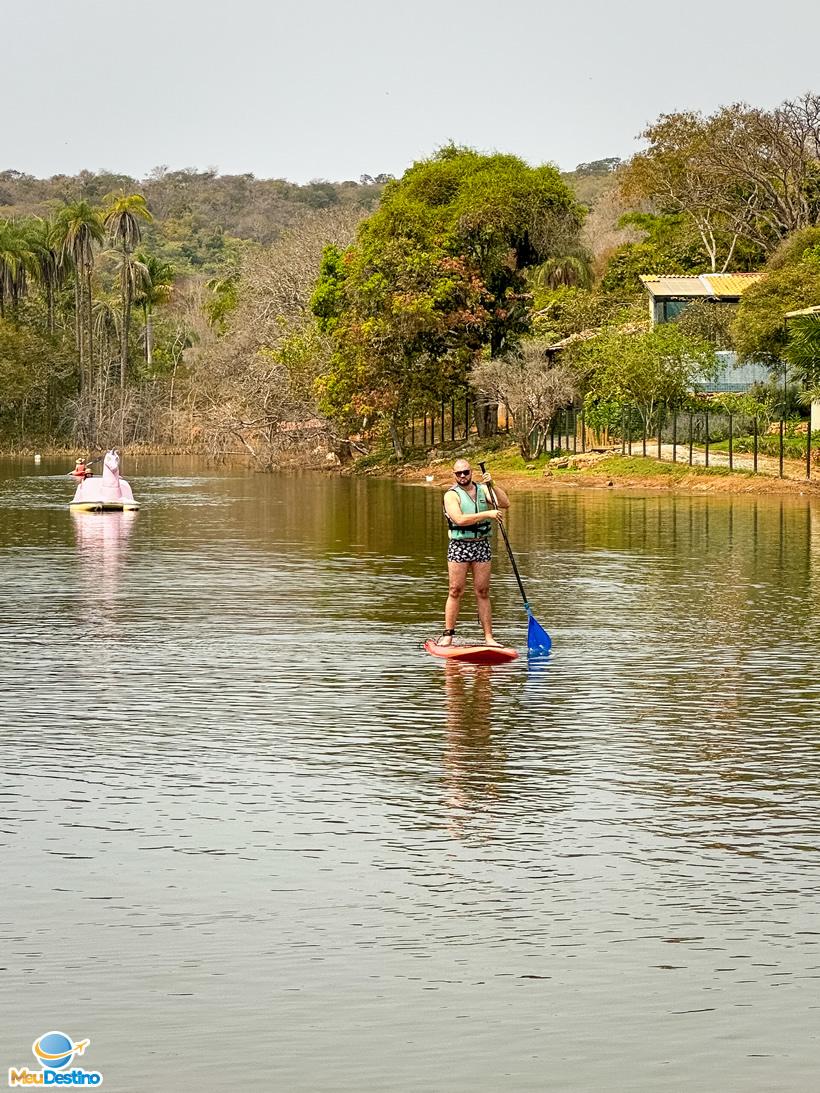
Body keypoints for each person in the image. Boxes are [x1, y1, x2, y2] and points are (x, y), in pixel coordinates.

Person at [439, 458, 509, 647]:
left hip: (481, 545)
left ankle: (489, 638)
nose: (463, 476)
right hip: (460, 546)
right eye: (459, 473)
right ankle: (448, 635)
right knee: (455, 590)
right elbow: (460, 519)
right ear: (454, 475)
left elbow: (505, 503)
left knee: (483, 591)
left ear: (471, 473)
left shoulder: (483, 489)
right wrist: (487, 514)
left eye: (466, 472)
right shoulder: (451, 495)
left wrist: (492, 485)